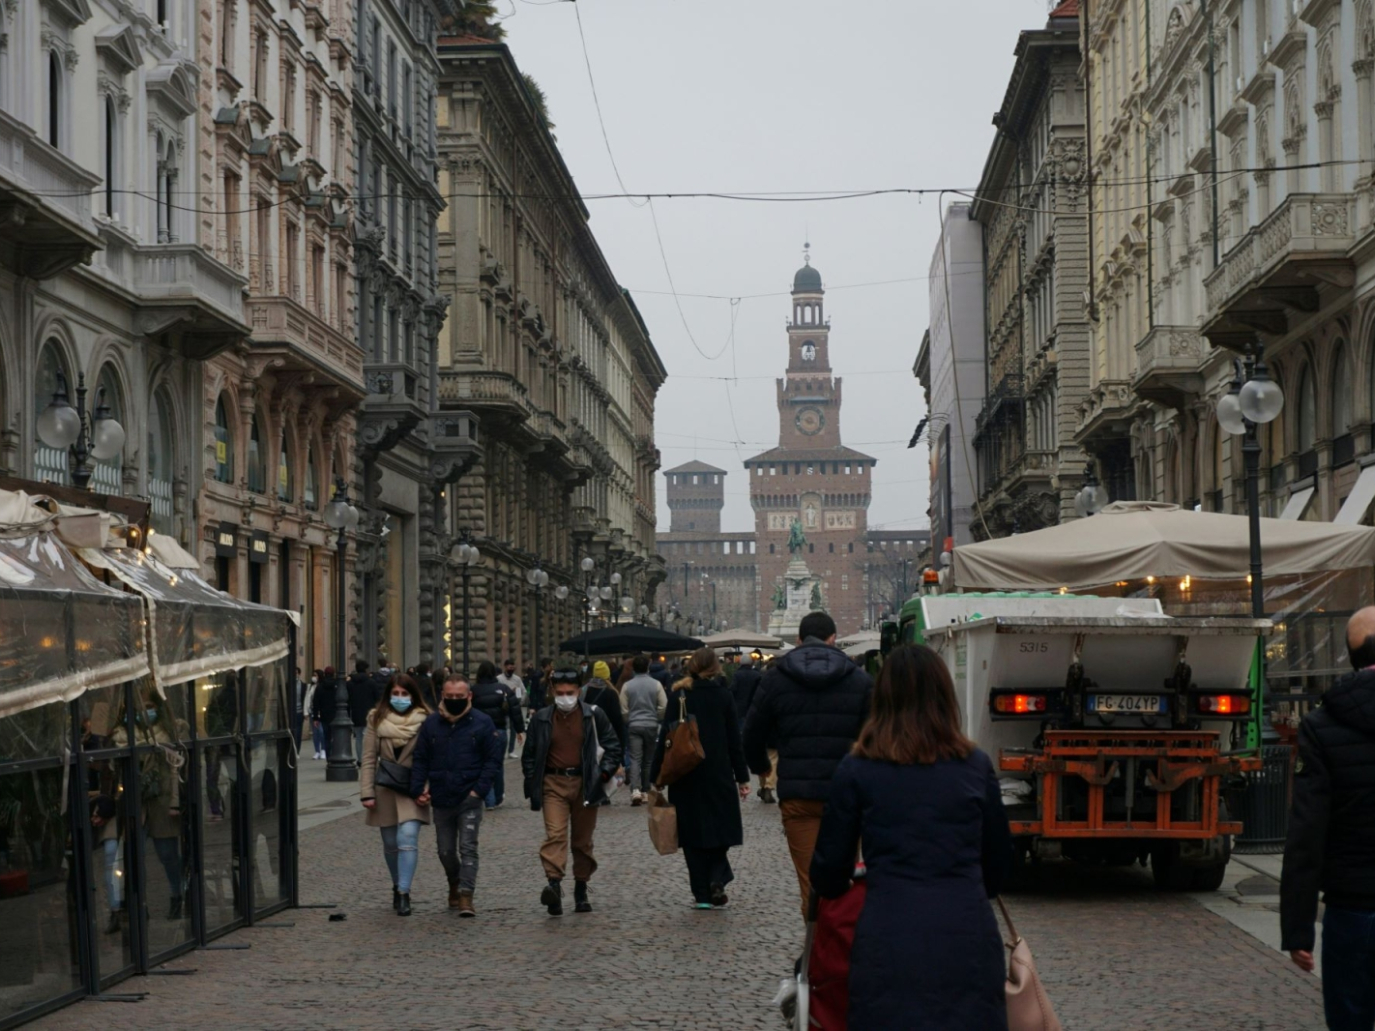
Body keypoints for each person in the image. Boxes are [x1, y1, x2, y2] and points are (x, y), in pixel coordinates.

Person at [810, 644, 1011, 1030]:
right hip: (965, 934)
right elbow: (998, 867)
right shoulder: (975, 766)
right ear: (945, 698)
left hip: (888, 935)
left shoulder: (858, 769)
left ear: (882, 700)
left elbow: (829, 874)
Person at [1281, 606, 1375, 1029]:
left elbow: (1307, 832)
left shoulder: (1321, 726)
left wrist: (1298, 928)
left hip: (1351, 908)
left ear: (1350, 657)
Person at [743, 611, 872, 916]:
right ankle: (836, 954)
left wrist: (761, 765)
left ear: (799, 640)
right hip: (846, 796)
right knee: (841, 880)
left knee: (811, 881)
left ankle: (815, 950)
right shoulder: (859, 679)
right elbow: (875, 738)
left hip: (798, 793)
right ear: (833, 639)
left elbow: (750, 732)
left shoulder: (775, 678)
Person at [652, 648, 750, 908]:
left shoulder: (679, 696)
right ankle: (717, 876)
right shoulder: (723, 696)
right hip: (718, 772)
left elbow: (665, 739)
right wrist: (742, 777)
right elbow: (734, 741)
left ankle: (702, 896)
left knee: (692, 835)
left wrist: (656, 775)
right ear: (716, 667)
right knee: (722, 829)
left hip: (685, 774)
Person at [521, 668, 622, 916]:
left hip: (586, 782)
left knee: (582, 840)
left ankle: (580, 887)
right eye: (560, 692)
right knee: (555, 834)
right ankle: (554, 885)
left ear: (579, 691)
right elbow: (530, 754)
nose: (565, 697)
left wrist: (604, 774)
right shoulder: (542, 718)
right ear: (552, 692)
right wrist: (534, 778)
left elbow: (613, 746)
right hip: (553, 783)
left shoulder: (594, 716)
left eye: (570, 692)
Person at [409, 674, 500, 917]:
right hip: (441, 796)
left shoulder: (482, 723)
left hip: (469, 796)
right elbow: (420, 758)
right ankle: (454, 880)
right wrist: (418, 788)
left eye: (459, 697)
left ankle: (466, 895)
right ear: (442, 696)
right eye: (450, 697)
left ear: (469, 696)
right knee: (445, 851)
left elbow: (492, 761)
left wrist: (478, 790)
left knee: (468, 847)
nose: (455, 700)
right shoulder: (431, 724)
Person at [358, 674, 431, 916]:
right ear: (389, 695)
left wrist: (427, 788)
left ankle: (404, 892)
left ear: (413, 695)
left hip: (414, 787)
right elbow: (368, 758)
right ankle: (396, 883)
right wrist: (366, 792)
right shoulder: (375, 719)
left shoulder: (426, 720)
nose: (400, 698)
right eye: (396, 693)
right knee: (390, 843)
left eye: (404, 694)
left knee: (407, 838)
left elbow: (434, 759)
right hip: (386, 788)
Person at [471, 660, 526, 809]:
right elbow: (515, 709)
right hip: (499, 730)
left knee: (483, 764)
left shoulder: (474, 690)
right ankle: (497, 796)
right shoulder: (503, 687)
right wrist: (520, 729)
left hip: (479, 732)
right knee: (497, 764)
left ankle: (489, 798)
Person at [621, 654, 668, 805]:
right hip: (651, 724)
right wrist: (657, 717)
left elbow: (623, 709)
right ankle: (646, 790)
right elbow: (663, 705)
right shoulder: (656, 684)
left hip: (634, 725)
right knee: (648, 759)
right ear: (648, 667)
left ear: (633, 668)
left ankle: (635, 789)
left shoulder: (627, 686)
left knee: (635, 758)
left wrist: (629, 720)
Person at [346, 661, 380, 764]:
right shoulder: (371, 682)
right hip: (369, 713)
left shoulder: (350, 684)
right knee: (368, 737)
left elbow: (347, 699)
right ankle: (368, 758)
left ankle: (360, 759)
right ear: (366, 669)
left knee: (358, 738)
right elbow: (377, 698)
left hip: (355, 713)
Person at [497, 658, 527, 758]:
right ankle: (502, 749)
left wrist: (520, 702)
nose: (511, 668)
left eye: (513, 666)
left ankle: (511, 750)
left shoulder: (517, 679)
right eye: (509, 666)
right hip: (503, 707)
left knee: (514, 729)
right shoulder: (499, 679)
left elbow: (524, 691)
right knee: (503, 728)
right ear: (505, 667)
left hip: (514, 706)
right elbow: (497, 692)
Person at [289, 667, 308, 750]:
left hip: (300, 712)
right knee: (291, 732)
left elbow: (306, 699)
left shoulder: (304, 686)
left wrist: (305, 712)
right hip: (291, 712)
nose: (295, 675)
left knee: (298, 732)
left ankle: (297, 750)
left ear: (299, 674)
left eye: (296, 673)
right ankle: (292, 749)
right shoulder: (288, 685)